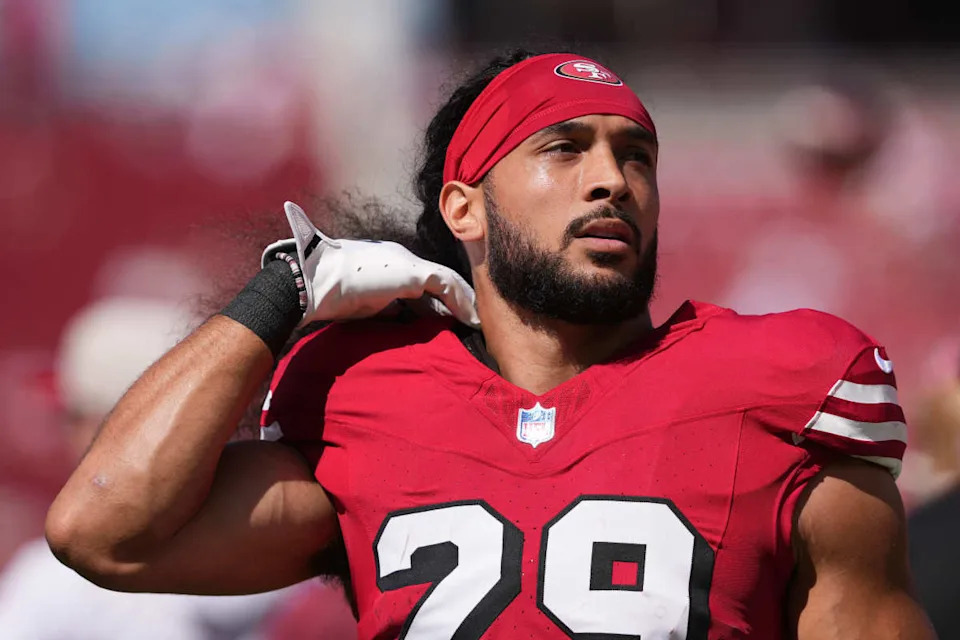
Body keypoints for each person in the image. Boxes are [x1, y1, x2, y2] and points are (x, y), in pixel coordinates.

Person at [46, 50, 934, 639]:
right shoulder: (370, 402)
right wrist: (285, 288)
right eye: (563, 147)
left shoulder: (778, 384)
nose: (610, 180)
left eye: (637, 157)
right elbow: (105, 533)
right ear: (464, 208)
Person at [0, 297, 289, 639]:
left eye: (75, 415)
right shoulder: (295, 551)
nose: (65, 432)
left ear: (117, 428)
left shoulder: (52, 584)